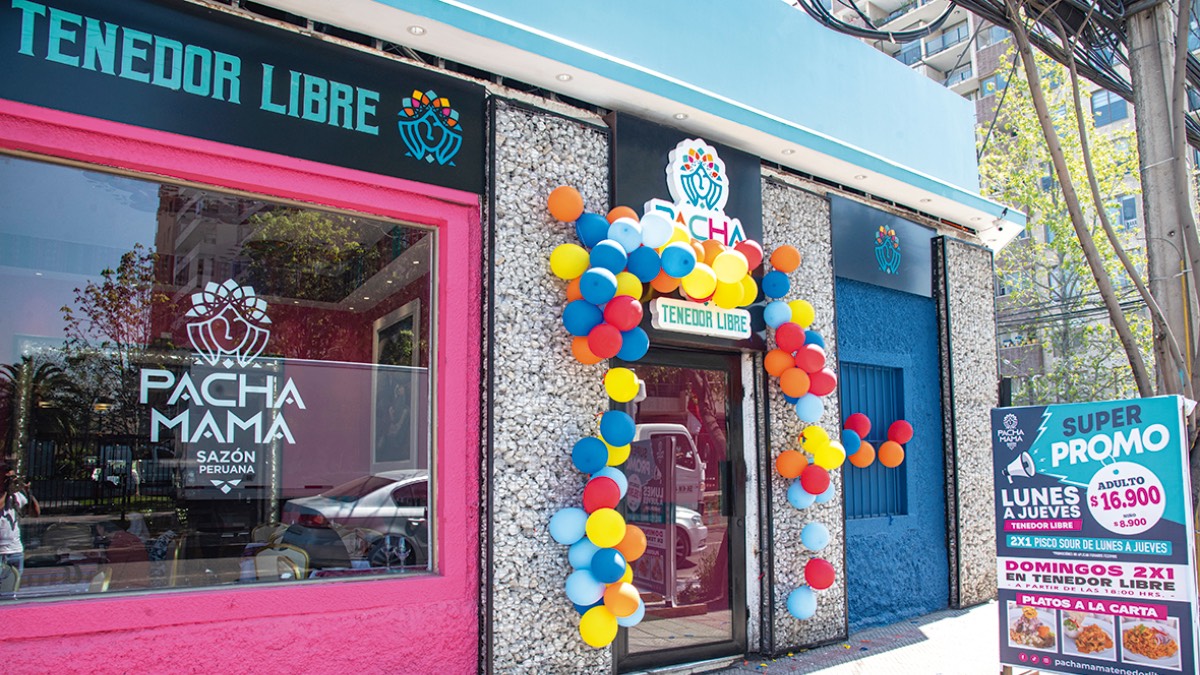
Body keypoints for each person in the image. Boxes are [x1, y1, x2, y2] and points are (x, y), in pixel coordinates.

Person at [0, 463, 40, 598]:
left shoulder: (16, 496)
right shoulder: (6, 494)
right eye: (6, 478)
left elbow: (35, 513)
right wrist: (6, 491)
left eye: (12, 478)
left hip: (15, 550)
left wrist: (28, 492)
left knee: (12, 590)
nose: (10, 481)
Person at [95, 520, 150, 590]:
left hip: (130, 587)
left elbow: (113, 573)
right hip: (136, 584)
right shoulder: (128, 538)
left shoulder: (120, 543)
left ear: (100, 528)